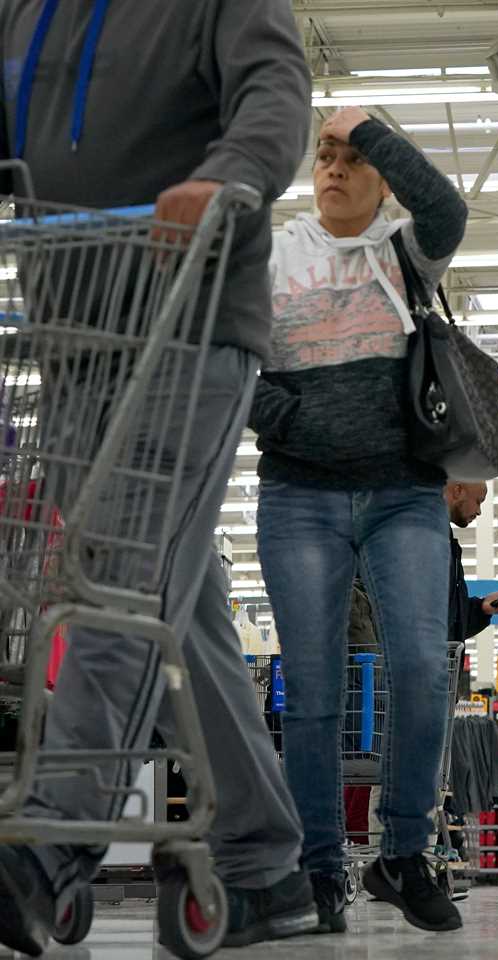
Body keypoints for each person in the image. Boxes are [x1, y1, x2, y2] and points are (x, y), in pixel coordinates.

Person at [0, 2, 314, 954]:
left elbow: (275, 90)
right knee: (177, 594)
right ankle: (265, 865)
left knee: (115, 591)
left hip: (191, 318)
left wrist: (227, 174)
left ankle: (48, 844)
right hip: (74, 322)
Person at [247, 103, 468, 936]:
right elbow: (228, 355)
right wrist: (288, 417)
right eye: (324, 156)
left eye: (351, 158)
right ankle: (317, 870)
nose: (333, 169)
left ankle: (403, 853)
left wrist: (371, 127)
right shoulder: (269, 254)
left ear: (381, 176)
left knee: (421, 667)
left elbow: (448, 208)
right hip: (298, 497)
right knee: (311, 692)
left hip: (403, 496)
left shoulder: (404, 253)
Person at [443, 481, 498, 649]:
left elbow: (450, 621)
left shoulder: (446, 541)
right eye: (478, 501)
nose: (479, 511)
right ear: (458, 490)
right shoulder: (424, 538)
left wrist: (482, 608)